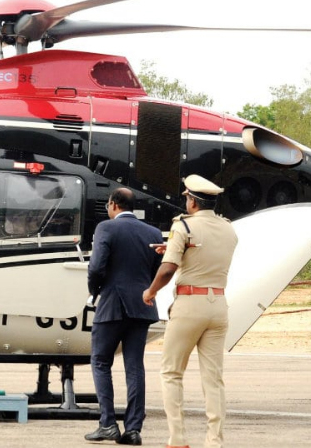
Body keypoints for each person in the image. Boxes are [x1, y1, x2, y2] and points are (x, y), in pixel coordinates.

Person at [142, 175, 238, 448]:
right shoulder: (228, 228)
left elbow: (168, 269)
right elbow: (206, 255)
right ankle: (214, 440)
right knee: (213, 377)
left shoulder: (183, 226)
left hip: (189, 303)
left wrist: (151, 291)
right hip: (218, 304)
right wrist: (175, 249)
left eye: (187, 198)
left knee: (171, 372)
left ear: (193, 201)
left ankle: (178, 438)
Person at [84, 188, 163, 445]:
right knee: (135, 366)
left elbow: (96, 267)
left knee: (100, 362)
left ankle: (108, 423)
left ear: (114, 204)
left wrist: (94, 291)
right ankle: (133, 429)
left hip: (112, 304)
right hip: (142, 305)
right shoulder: (152, 232)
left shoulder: (106, 228)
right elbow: (156, 270)